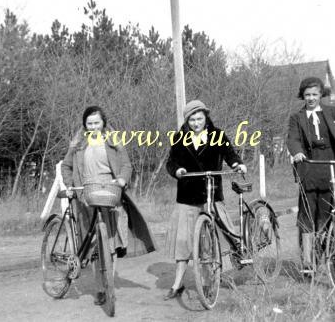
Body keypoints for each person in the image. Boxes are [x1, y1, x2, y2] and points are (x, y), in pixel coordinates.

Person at [61, 106, 156, 305]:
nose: (94, 127)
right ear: (85, 125)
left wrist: (122, 180)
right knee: (93, 244)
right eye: (90, 123)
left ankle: (108, 285)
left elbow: (126, 165)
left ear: (103, 123)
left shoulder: (113, 141)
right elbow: (66, 166)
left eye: (97, 122)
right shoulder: (78, 144)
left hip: (110, 193)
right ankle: (99, 288)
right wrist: (70, 185)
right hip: (85, 193)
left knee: (109, 244)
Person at [164, 100, 247, 300]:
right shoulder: (179, 138)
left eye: (199, 118)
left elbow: (229, 154)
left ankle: (210, 281)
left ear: (206, 117)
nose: (196, 122)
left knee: (211, 240)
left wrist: (237, 164)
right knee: (183, 242)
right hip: (187, 195)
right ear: (187, 120)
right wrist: (177, 170)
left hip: (211, 193)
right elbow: (171, 162)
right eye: (192, 119)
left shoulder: (217, 135)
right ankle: (177, 284)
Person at [286, 77, 335, 276]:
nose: (311, 98)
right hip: (309, 167)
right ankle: (308, 261)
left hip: (333, 167)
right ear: (303, 96)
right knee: (308, 214)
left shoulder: (332, 112)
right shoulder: (297, 118)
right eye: (307, 95)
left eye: (314, 94)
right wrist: (297, 152)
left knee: (334, 214)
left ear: (321, 95)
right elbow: (292, 139)